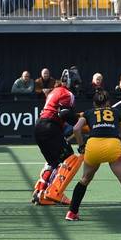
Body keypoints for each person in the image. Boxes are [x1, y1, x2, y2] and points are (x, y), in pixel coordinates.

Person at [69, 89, 121, 223]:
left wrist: (82, 146)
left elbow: (76, 129)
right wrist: (119, 150)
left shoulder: (88, 113)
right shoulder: (116, 112)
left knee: (84, 179)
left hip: (92, 146)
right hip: (113, 146)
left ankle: (72, 212)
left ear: (94, 103)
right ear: (108, 102)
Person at [31, 68, 82, 205]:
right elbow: (64, 114)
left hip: (40, 126)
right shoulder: (67, 94)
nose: (77, 87)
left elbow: (58, 114)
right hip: (50, 128)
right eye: (76, 83)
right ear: (70, 82)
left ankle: (40, 192)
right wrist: (79, 122)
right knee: (70, 158)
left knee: (53, 161)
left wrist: (76, 117)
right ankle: (54, 192)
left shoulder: (55, 91)